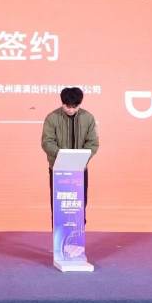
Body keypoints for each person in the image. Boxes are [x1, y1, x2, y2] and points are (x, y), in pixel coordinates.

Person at [41, 87, 99, 222]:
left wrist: (81, 158)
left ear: (80, 104)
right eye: (67, 106)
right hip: (58, 169)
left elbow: (93, 143)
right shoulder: (52, 118)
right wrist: (63, 156)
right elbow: (47, 142)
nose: (71, 110)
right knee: (58, 205)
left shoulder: (88, 118)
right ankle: (58, 234)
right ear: (62, 103)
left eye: (75, 107)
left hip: (80, 169)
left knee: (79, 203)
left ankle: (79, 232)